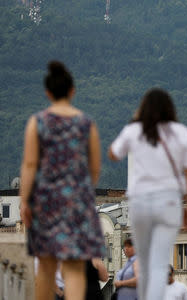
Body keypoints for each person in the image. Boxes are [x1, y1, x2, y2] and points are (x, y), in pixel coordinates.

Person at [20, 61, 105, 300]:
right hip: (77, 202)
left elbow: (29, 165)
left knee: (46, 268)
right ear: (72, 91)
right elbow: (95, 168)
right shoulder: (86, 123)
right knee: (75, 268)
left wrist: (25, 201)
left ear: (47, 93)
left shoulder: (37, 122)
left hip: (45, 202)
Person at [109, 88, 187, 300]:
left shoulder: (134, 130)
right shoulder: (181, 132)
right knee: (159, 262)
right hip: (169, 202)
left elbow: (113, 153)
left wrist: (134, 121)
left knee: (145, 260)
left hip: (140, 202)